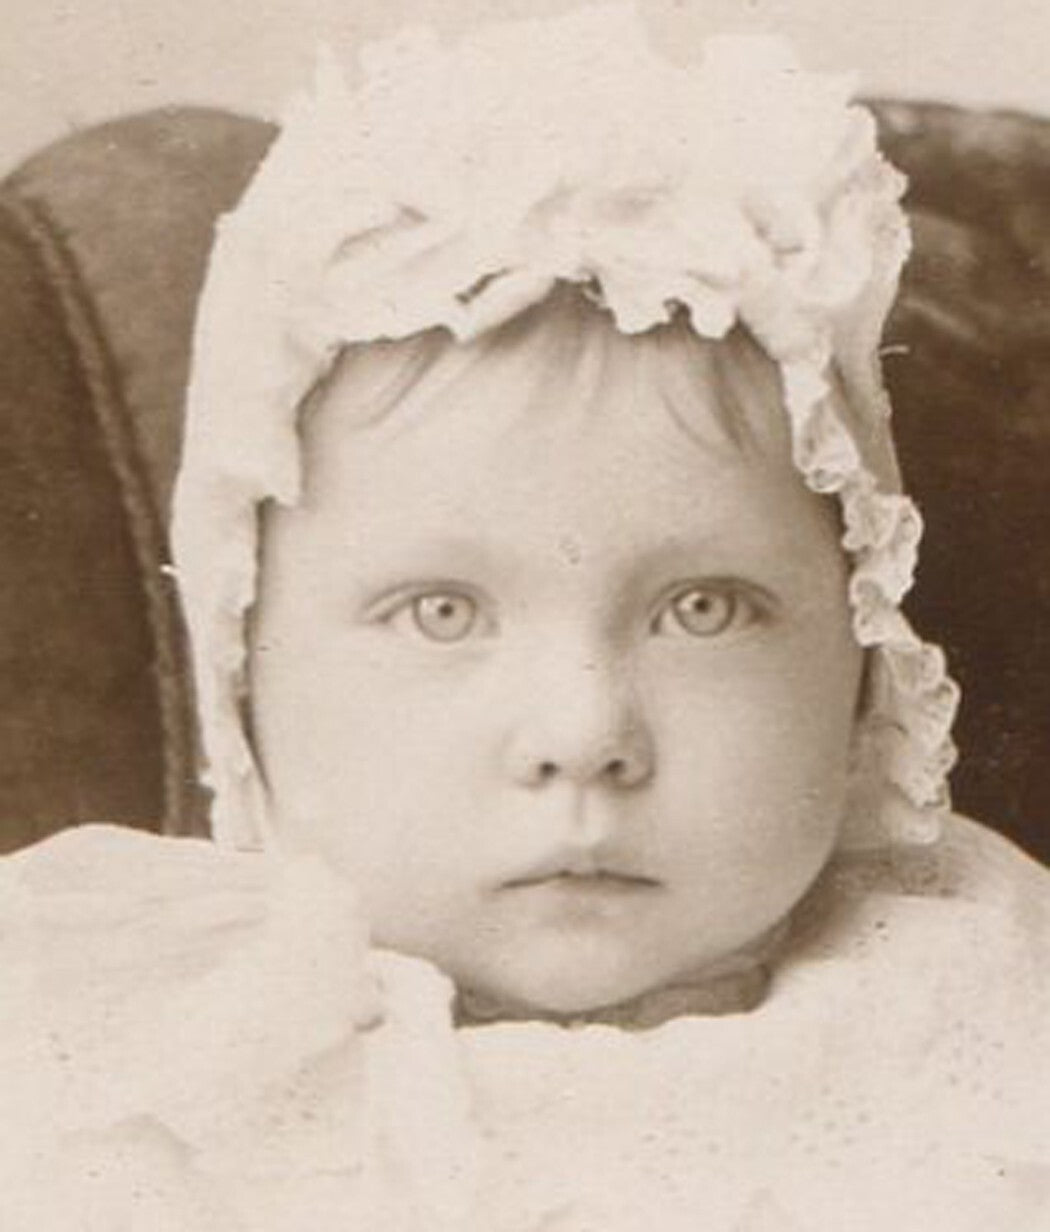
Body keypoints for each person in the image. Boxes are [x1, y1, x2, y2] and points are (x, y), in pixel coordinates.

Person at [3, 7, 1048, 1229]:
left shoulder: (980, 1025)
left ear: (861, 656)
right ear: (245, 660)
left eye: (702, 607)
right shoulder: (115, 1064)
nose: (583, 732)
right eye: (442, 611)